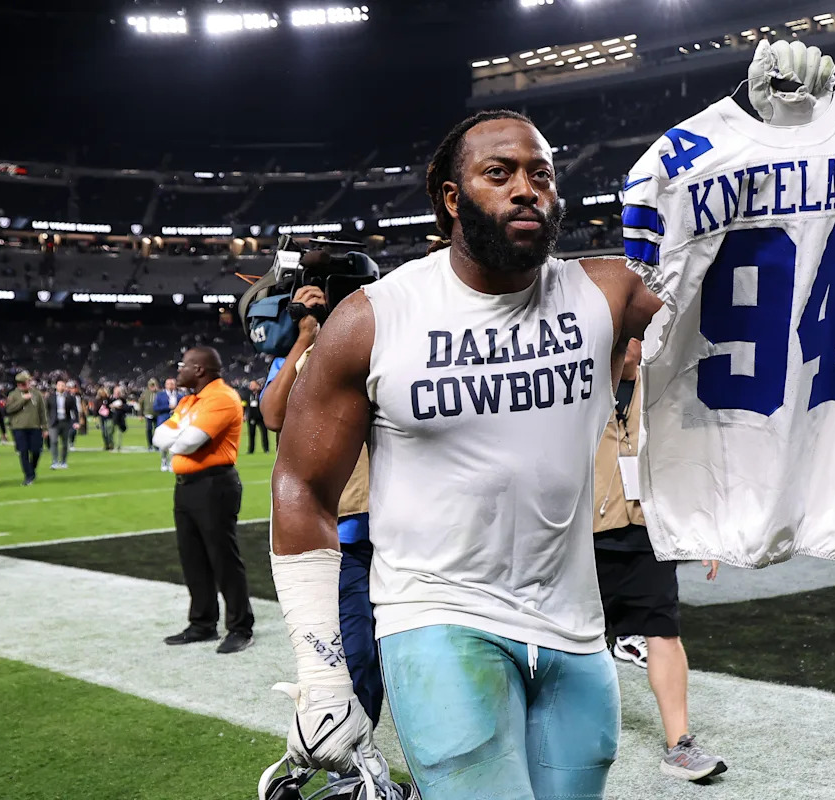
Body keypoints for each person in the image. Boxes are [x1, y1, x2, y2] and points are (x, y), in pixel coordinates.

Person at [268, 110, 662, 799]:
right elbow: (300, 486)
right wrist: (324, 675)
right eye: (499, 173)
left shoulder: (606, 291)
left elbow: (741, 293)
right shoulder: (373, 318)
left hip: (575, 627)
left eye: (541, 174)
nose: (526, 189)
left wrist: (784, 137)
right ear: (452, 199)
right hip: (436, 618)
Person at [260, 280, 394, 789]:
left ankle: (358, 750)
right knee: (354, 650)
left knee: (395, 647)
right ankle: (352, 758)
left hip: (390, 520)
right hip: (338, 528)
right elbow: (272, 414)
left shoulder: (377, 340)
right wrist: (303, 338)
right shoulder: (304, 353)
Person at [592, 338, 727, 782]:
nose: (637, 343)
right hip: (583, 536)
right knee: (577, 642)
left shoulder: (662, 389)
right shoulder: (578, 385)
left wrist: (704, 530)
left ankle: (680, 743)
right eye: (630, 333)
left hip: (648, 533)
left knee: (664, 632)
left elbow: (687, 460)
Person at [153, 347, 254, 655]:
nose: (178, 371)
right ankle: (202, 623)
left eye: (183, 365)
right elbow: (158, 437)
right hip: (186, 485)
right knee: (192, 557)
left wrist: (179, 434)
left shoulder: (222, 397)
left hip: (214, 484)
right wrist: (179, 435)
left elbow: (187, 442)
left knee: (223, 558)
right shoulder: (188, 401)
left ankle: (240, 627)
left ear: (199, 369)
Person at [5, 371, 46, 486]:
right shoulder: (13, 395)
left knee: (36, 451)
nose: (29, 383)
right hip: (18, 428)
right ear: (20, 384)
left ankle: (31, 469)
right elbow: (9, 409)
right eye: (27, 381)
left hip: (35, 427)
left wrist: (45, 427)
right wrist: (23, 399)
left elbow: (42, 411)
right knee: (23, 452)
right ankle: (28, 475)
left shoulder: (37, 394)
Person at [45, 379, 78, 469]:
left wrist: (76, 421)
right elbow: (46, 410)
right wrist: (46, 422)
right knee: (54, 441)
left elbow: (75, 410)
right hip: (54, 423)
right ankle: (54, 461)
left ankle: (63, 461)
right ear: (56, 386)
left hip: (65, 422)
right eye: (60, 385)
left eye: (63, 385)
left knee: (64, 443)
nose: (61, 387)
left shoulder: (70, 397)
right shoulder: (50, 397)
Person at [153, 378, 182, 472]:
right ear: (165, 385)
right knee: (164, 443)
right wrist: (168, 407)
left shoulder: (179, 395)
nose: (171, 385)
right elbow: (156, 407)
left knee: (175, 442)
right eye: (169, 384)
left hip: (176, 421)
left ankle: (172, 462)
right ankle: (164, 460)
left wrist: (177, 408)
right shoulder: (160, 395)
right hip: (164, 420)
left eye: (172, 383)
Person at [239, 379, 269, 455]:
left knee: (264, 433)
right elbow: (244, 405)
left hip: (261, 416)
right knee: (251, 434)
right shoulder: (248, 394)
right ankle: (251, 450)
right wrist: (244, 415)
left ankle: (266, 449)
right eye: (250, 385)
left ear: (257, 385)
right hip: (252, 416)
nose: (251, 386)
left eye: (253, 385)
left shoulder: (262, 393)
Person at [141, 378, 160, 452]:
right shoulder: (145, 393)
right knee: (149, 429)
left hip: (157, 414)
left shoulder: (159, 393)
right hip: (148, 414)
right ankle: (150, 445)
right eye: (151, 385)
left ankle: (156, 445)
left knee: (157, 430)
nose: (152, 387)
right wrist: (140, 414)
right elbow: (141, 403)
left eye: (153, 385)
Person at [109, 385, 129, 451]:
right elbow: (106, 406)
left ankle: (118, 445)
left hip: (120, 418)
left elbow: (126, 408)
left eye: (118, 391)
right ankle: (111, 444)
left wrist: (120, 407)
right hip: (112, 417)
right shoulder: (110, 398)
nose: (117, 393)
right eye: (116, 391)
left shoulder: (122, 399)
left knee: (119, 432)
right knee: (111, 432)